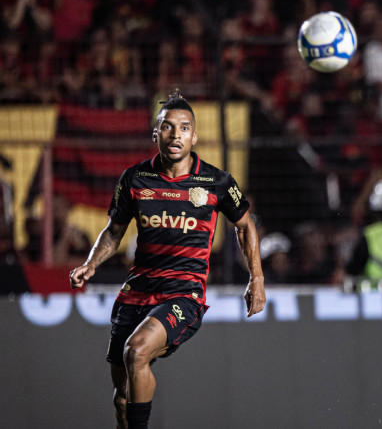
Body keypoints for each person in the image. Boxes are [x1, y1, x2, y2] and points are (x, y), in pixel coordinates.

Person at [68, 90, 266, 429]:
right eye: (168, 127)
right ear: (155, 134)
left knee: (136, 351)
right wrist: (91, 263)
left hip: (183, 295)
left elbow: (245, 226)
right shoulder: (135, 178)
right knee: (122, 396)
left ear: (194, 137)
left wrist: (257, 279)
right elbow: (114, 231)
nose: (176, 135)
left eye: (184, 128)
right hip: (136, 293)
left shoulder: (215, 181)